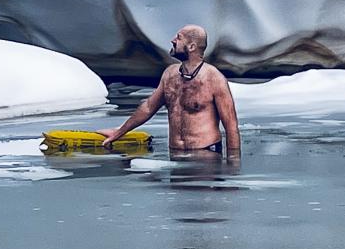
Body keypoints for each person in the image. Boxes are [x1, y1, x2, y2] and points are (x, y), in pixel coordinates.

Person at [99, 25, 240, 156]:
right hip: (175, 154)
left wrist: (233, 162)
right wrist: (119, 132)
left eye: (179, 38)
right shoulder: (170, 74)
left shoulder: (214, 79)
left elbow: (231, 126)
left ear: (191, 47)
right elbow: (148, 108)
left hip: (206, 155)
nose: (173, 40)